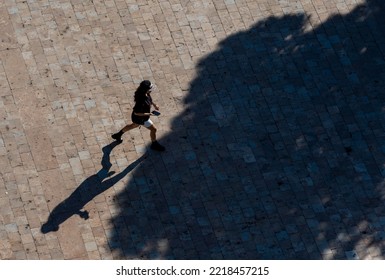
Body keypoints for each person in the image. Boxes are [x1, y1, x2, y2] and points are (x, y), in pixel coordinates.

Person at [111, 80, 165, 151]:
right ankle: (154, 144)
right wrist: (149, 114)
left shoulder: (146, 93)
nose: (150, 90)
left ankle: (118, 135)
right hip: (140, 118)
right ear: (146, 90)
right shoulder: (141, 100)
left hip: (140, 118)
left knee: (133, 125)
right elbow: (137, 112)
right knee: (153, 129)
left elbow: (149, 99)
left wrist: (154, 105)